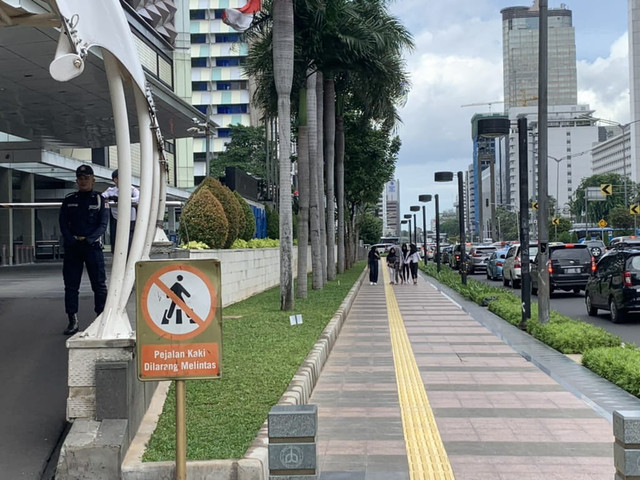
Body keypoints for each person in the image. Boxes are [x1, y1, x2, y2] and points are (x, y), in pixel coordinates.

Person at [59, 164, 109, 335]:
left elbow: (103, 224)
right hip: (73, 247)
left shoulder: (100, 200)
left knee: (99, 285)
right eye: (80, 178)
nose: (83, 181)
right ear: (77, 181)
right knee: (71, 286)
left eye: (86, 178)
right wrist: (70, 240)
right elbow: (63, 223)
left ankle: (101, 318)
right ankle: (72, 320)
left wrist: (89, 239)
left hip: (92, 246)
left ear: (93, 180)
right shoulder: (69, 199)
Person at [101, 169, 140, 252]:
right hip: (116, 220)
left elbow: (138, 198)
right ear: (115, 180)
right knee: (116, 243)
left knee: (130, 243)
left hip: (131, 221)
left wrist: (123, 199)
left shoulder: (132, 189)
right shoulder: (111, 190)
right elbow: (102, 197)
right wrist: (109, 199)